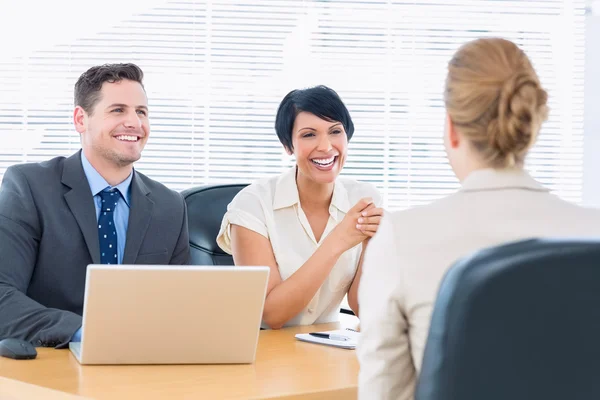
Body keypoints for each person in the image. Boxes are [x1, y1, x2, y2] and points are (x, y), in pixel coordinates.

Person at [357, 38, 600, 399]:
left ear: (452, 128)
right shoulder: (592, 231)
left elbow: (384, 393)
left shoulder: (400, 238)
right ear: (531, 125)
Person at [0, 63, 190, 348]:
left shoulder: (170, 205)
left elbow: (181, 304)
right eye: (118, 110)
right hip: (53, 362)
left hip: (142, 363)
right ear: (80, 119)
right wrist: (85, 333)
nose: (134, 123)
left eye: (141, 112)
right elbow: (3, 295)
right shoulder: (30, 186)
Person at [217, 85, 384, 329]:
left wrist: (374, 245)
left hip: (329, 349)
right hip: (264, 351)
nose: (326, 147)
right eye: (309, 135)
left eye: (335, 131)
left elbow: (363, 308)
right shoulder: (252, 204)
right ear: (288, 146)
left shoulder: (363, 198)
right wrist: (338, 241)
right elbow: (271, 315)